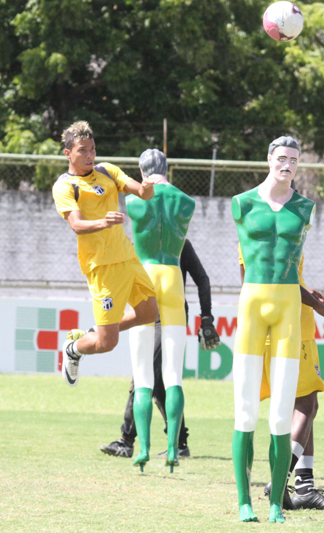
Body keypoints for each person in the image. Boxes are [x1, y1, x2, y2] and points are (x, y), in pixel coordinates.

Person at [231, 136, 315, 524]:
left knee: (281, 416)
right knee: (245, 413)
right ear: (268, 159)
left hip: (287, 307)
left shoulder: (305, 207)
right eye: (282, 158)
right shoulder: (242, 203)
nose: (288, 165)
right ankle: (244, 500)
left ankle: (277, 503)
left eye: (294, 160)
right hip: (252, 304)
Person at [51, 121, 159, 388]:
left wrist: (147, 186)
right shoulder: (65, 186)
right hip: (101, 266)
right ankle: (74, 349)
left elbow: (142, 193)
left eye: (92, 149)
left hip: (127, 257)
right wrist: (104, 222)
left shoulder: (107, 171)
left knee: (148, 313)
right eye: (83, 150)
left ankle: (91, 332)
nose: (90, 155)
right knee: (107, 343)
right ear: (68, 153)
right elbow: (76, 225)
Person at [241, 251, 324, 512]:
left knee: (297, 408)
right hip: (293, 330)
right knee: (307, 405)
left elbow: (263, 279)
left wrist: (305, 293)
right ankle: (281, 478)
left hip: (263, 325)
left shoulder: (250, 229)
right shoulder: (285, 225)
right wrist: (318, 305)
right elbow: (284, 279)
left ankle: (305, 488)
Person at [100, 239, 220, 460]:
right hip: (145, 314)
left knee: (148, 378)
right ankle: (171, 441)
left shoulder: (179, 241)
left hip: (170, 316)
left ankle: (132, 441)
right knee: (149, 378)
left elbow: (202, 279)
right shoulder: (139, 241)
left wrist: (206, 319)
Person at [124, 148, 196, 471]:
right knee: (173, 375)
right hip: (173, 276)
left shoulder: (134, 200)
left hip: (145, 276)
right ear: (168, 167)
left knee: (142, 375)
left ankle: (142, 448)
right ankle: (172, 449)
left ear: (141, 172)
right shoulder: (185, 201)